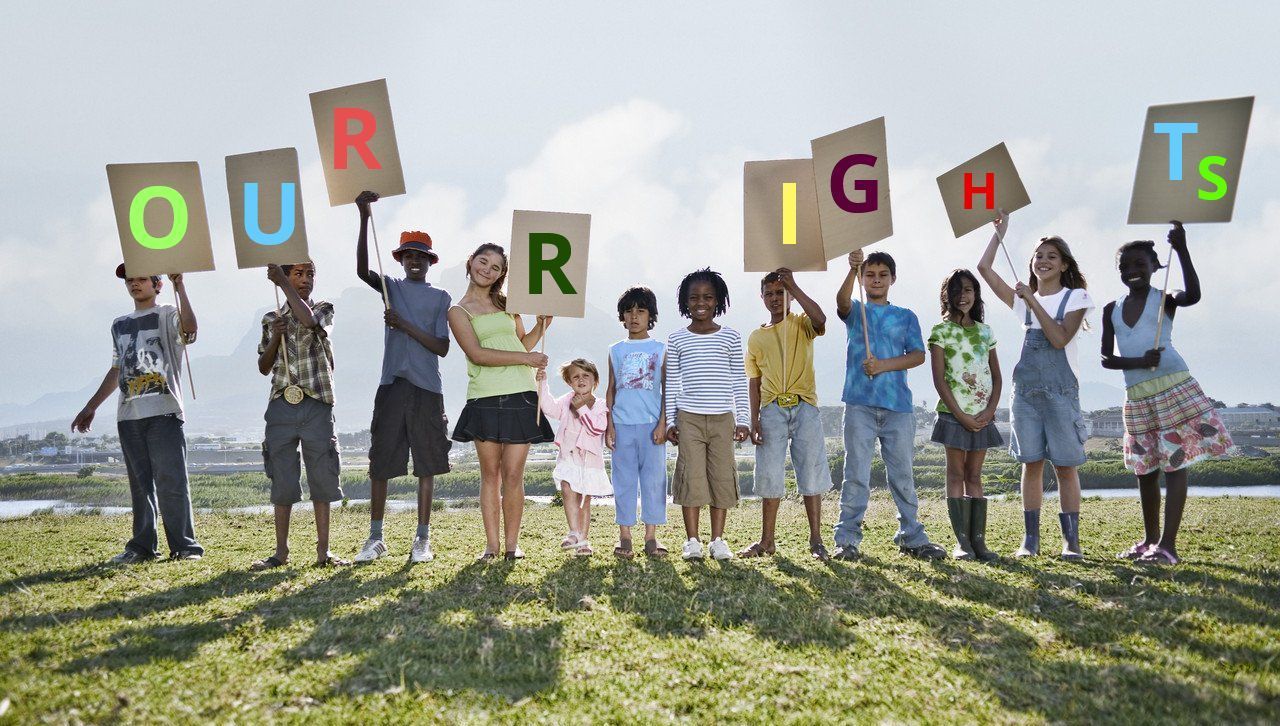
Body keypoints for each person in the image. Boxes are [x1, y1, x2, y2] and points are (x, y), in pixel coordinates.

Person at [1101, 223, 1232, 565]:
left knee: (1175, 464)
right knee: (1145, 469)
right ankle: (1149, 540)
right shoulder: (1110, 309)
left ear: (1155, 266)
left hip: (1173, 388)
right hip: (1138, 396)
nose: (1132, 271)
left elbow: (1195, 295)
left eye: (1140, 265)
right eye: (1124, 267)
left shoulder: (1165, 299)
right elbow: (1107, 359)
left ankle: (1168, 547)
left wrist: (1183, 249)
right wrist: (1139, 361)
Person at [978, 211, 1091, 560]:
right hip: (1025, 394)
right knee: (1031, 465)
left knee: (1065, 467)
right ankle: (1030, 540)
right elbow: (984, 270)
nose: (1043, 261)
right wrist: (999, 234)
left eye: (1051, 257)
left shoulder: (1076, 298)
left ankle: (1070, 542)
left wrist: (1032, 302)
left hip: (1060, 395)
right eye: (1038, 256)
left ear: (1063, 265)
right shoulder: (1022, 299)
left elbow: (1058, 339)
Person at [72, 265, 203, 563]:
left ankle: (185, 547)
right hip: (129, 415)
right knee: (140, 484)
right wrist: (91, 406)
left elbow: (191, 330)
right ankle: (142, 548)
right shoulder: (119, 324)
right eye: (130, 280)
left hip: (165, 411)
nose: (135, 284)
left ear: (157, 285)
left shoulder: (168, 312)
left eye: (142, 279)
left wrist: (180, 286)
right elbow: (117, 368)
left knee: (172, 480)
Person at [351, 191, 454, 564]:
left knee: (428, 464)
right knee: (381, 462)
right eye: (408, 255)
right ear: (400, 258)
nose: (414, 260)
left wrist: (404, 325)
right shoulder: (390, 288)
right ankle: (375, 537)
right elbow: (362, 270)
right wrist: (364, 216)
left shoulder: (442, 297)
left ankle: (422, 540)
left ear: (429, 261)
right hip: (392, 386)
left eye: (420, 256)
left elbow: (441, 347)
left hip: (427, 389)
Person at [832, 250, 946, 561]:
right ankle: (847, 540)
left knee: (902, 475)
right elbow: (841, 303)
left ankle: (912, 536)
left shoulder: (905, 316)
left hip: (897, 407)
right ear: (862, 279)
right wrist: (851, 270)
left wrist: (882, 365)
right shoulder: (856, 311)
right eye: (870, 275)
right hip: (860, 405)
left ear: (892, 279)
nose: (876, 280)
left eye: (883, 275)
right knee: (855, 473)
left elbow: (918, 355)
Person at [448, 243, 553, 561]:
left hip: (522, 393)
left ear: (501, 274)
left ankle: (512, 545)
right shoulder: (458, 311)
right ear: (471, 262)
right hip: (484, 397)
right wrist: (526, 356)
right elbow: (477, 354)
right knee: (490, 474)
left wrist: (542, 325)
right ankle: (491, 547)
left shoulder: (509, 304)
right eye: (483, 262)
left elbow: (523, 343)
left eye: (496, 267)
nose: (487, 270)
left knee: (513, 474)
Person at [251, 262, 348, 569]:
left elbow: (307, 321)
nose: (305, 280)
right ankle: (281, 553)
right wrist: (276, 335)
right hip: (282, 403)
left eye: (310, 275)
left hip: (317, 401)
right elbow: (264, 366)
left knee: (322, 475)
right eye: (298, 274)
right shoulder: (272, 318)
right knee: (282, 478)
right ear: (289, 275)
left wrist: (283, 283)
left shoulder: (323, 308)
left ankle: (323, 552)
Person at [742, 269, 831, 561]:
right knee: (769, 472)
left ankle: (816, 540)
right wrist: (754, 419)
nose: (775, 298)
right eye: (770, 293)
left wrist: (793, 283)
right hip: (771, 409)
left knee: (810, 469)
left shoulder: (803, 324)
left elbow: (821, 320)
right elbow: (754, 381)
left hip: (804, 405)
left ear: (790, 296)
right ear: (762, 297)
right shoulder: (756, 337)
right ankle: (767, 541)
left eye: (781, 293)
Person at [664, 268, 750, 561]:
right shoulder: (676, 339)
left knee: (721, 476)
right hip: (688, 417)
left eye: (708, 297)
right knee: (691, 476)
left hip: (723, 418)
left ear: (718, 301)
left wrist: (744, 419)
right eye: (694, 298)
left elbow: (739, 379)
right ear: (685, 302)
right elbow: (672, 382)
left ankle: (717, 540)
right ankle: (692, 541)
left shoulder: (731, 337)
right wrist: (671, 421)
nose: (701, 302)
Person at [927, 269, 1003, 561]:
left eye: (969, 290)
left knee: (975, 475)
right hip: (953, 415)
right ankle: (962, 543)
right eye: (957, 291)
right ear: (947, 296)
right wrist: (960, 415)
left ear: (976, 294)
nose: (963, 296)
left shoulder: (986, 332)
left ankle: (979, 542)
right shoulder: (941, 332)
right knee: (956, 474)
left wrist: (989, 411)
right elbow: (939, 380)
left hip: (982, 416)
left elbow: (996, 376)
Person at [604, 286, 670, 558]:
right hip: (622, 425)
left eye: (640, 311)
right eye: (629, 311)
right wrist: (609, 424)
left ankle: (652, 537)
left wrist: (663, 423)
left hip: (651, 426)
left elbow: (667, 389)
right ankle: (625, 536)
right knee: (624, 481)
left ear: (650, 315)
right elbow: (611, 389)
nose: (634, 316)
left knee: (654, 481)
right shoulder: (615, 350)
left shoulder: (661, 349)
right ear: (622, 316)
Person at [539, 359, 611, 557]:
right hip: (569, 455)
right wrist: (542, 383)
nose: (581, 380)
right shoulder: (566, 400)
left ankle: (583, 540)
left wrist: (581, 409)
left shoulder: (601, 405)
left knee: (584, 500)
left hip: (590, 459)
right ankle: (573, 532)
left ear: (595, 380)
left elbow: (597, 428)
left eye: (586, 375)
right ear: (570, 382)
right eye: (576, 377)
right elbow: (549, 409)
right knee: (567, 489)